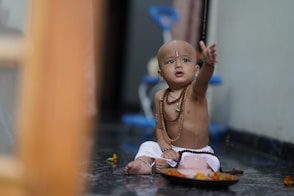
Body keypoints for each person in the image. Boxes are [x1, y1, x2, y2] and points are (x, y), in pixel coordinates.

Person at [124, 40, 220, 175]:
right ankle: (144, 164)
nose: (178, 65)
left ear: (196, 70)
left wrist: (208, 64)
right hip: (173, 150)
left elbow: (203, 80)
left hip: (197, 153)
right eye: (170, 62)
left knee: (210, 163)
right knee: (147, 146)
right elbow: (160, 128)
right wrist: (166, 150)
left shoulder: (196, 92)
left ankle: (171, 167)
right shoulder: (160, 97)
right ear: (161, 74)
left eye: (185, 60)